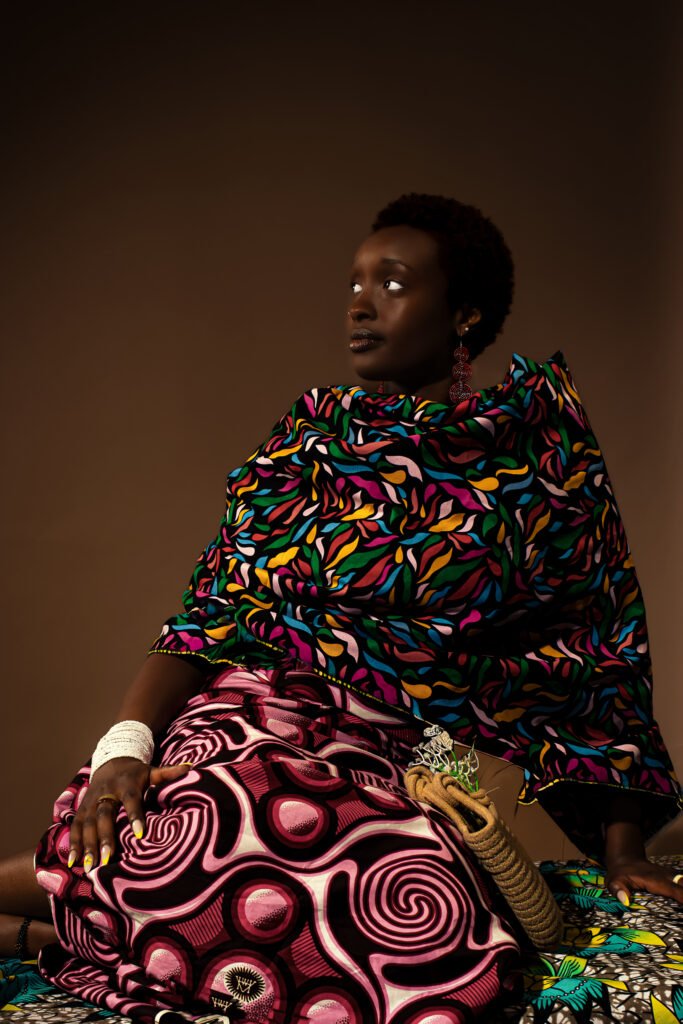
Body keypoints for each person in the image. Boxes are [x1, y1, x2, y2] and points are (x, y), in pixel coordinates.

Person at [1, 193, 681, 1024]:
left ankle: (57, 930)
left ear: (463, 312)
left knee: (418, 912)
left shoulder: (540, 457)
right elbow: (207, 614)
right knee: (222, 813)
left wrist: (623, 849)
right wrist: (124, 748)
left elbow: (600, 644)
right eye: (354, 283)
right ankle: (55, 908)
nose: (359, 304)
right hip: (248, 718)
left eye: (391, 283)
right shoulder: (307, 444)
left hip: (390, 759)